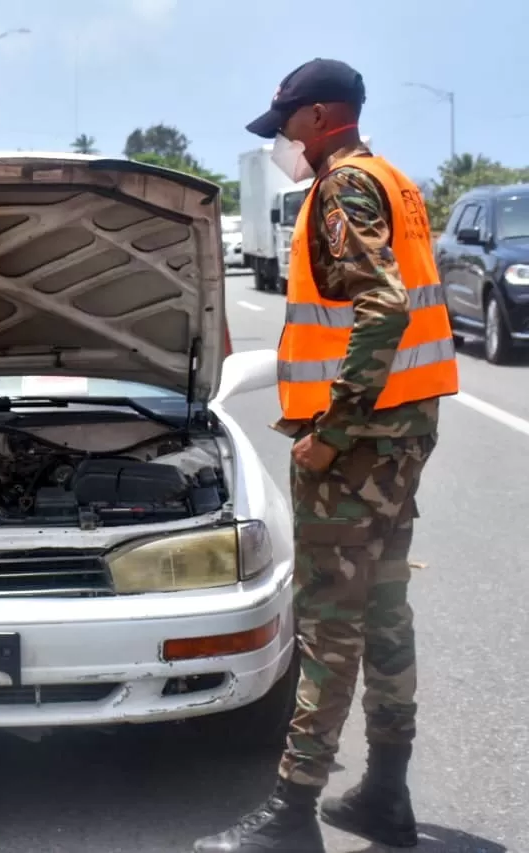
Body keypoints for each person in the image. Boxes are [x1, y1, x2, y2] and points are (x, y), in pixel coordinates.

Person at [194, 59, 459, 853]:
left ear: (317, 117)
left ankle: (291, 813)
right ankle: (386, 792)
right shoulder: (398, 182)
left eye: (283, 124)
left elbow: (381, 304)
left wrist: (333, 427)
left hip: (360, 443)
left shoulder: (343, 187)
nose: (280, 141)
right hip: (404, 431)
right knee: (382, 609)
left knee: (330, 621)